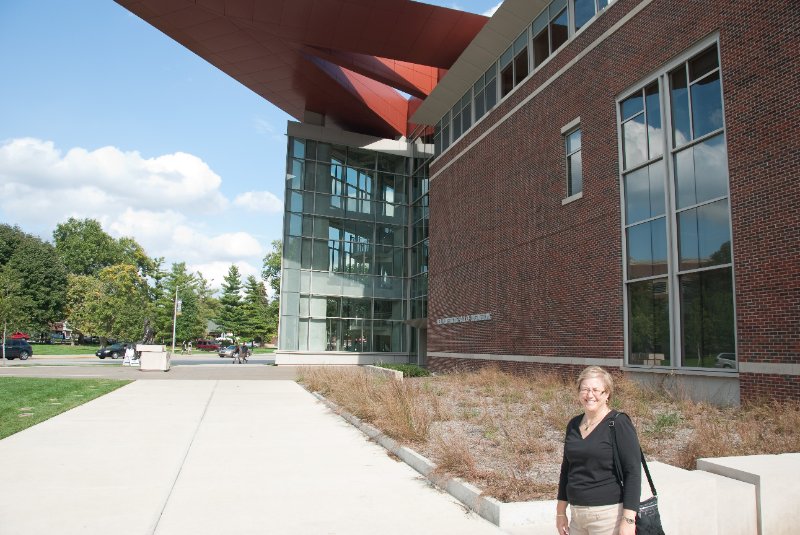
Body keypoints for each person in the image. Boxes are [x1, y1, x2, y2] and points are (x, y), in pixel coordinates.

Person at [556, 366, 641, 535]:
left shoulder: (618, 423)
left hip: (608, 517)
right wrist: (560, 512)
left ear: (607, 394)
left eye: (596, 390)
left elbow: (633, 472)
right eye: (585, 389)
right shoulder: (573, 424)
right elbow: (566, 470)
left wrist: (629, 520)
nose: (590, 395)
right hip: (577, 516)